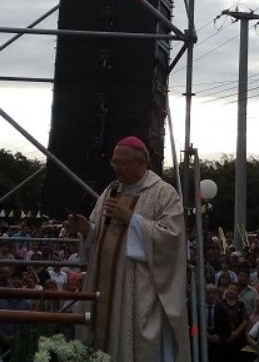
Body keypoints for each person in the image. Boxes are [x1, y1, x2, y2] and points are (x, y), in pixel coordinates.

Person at [66, 136, 189, 362]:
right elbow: (100, 234)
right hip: (104, 287)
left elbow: (172, 238)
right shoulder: (110, 191)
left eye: (122, 163)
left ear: (142, 163)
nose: (117, 168)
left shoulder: (164, 193)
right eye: (114, 162)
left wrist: (132, 219)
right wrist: (87, 230)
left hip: (136, 291)